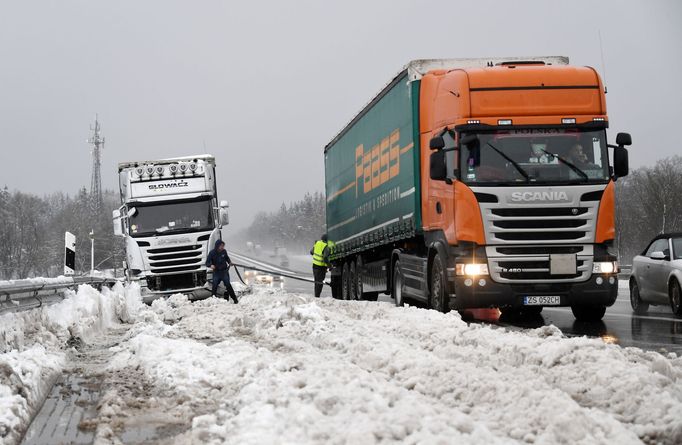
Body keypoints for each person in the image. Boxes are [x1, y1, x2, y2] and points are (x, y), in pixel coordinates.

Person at [206, 239, 238, 304]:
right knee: (214, 286)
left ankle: (234, 299)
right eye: (221, 246)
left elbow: (227, 258)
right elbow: (207, 262)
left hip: (224, 272)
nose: (222, 247)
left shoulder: (224, 251)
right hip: (216, 272)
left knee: (228, 285)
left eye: (223, 246)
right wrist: (211, 265)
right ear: (217, 246)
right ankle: (213, 300)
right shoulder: (212, 253)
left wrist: (229, 262)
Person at [310, 234, 330, 298]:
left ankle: (316, 296)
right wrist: (329, 266)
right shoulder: (325, 246)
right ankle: (317, 296)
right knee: (320, 282)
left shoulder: (317, 243)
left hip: (314, 266)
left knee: (316, 282)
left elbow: (311, 252)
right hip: (321, 267)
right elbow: (325, 258)